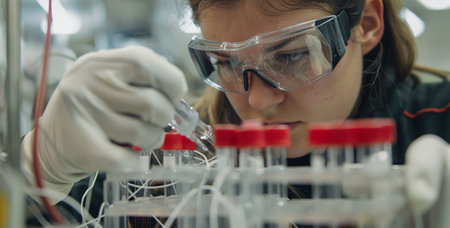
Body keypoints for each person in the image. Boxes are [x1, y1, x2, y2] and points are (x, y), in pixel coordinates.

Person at [20, 0, 449, 226]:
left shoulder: (440, 120)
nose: (258, 103)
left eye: (293, 55)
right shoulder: (169, 162)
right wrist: (39, 172)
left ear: (367, 25)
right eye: (225, 64)